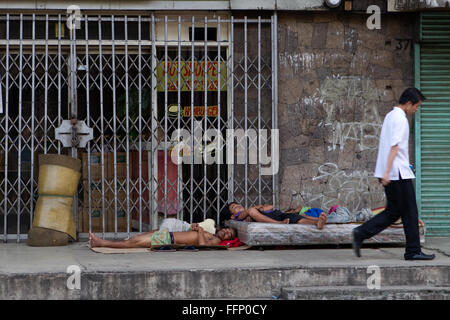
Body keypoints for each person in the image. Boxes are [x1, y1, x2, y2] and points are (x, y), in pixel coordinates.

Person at [352, 87, 435, 261]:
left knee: (393, 212)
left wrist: (386, 171)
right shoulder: (400, 119)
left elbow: (393, 146)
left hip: (392, 172)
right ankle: (413, 251)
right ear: (409, 103)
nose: (416, 110)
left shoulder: (391, 115)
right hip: (397, 174)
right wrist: (388, 172)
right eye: (417, 106)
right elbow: (394, 147)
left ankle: (361, 233)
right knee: (410, 212)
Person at [89, 225, 236, 248]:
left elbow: (203, 246)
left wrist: (199, 231)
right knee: (134, 239)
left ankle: (102, 243)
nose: (226, 232)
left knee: (133, 243)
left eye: (229, 235)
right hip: (167, 234)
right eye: (227, 230)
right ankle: (102, 243)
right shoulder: (211, 232)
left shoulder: (216, 240)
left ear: (227, 239)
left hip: (168, 240)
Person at [225, 202, 327, 230]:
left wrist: (261, 208)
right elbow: (248, 212)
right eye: (234, 207)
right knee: (251, 210)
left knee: (297, 219)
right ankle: (279, 224)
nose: (238, 206)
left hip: (276, 214)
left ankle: (317, 222)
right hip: (273, 220)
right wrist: (256, 208)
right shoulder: (238, 217)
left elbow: (270, 206)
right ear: (232, 216)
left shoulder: (255, 208)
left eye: (237, 204)